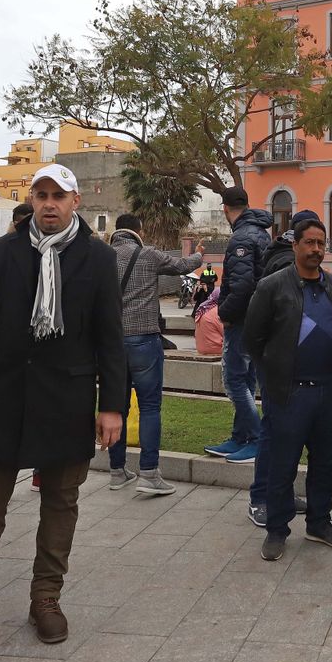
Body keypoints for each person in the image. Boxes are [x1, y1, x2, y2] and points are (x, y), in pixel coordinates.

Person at [0, 164, 128, 662]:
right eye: (40, 195)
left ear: (76, 200)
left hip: (66, 398)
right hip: (1, 397)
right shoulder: (6, 251)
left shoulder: (98, 258)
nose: (48, 204)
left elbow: (110, 338)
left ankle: (46, 600)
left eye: (58, 195)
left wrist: (113, 408)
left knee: (60, 504)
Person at [244, 217, 332, 561]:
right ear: (295, 245)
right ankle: (277, 529)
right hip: (288, 395)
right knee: (282, 465)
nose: (316, 250)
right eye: (309, 243)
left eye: (321, 243)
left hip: (327, 394)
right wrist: (275, 380)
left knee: (325, 463)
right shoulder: (272, 287)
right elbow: (252, 340)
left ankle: (319, 522)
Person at [106, 212, 202, 495]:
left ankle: (117, 471)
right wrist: (197, 255)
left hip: (112, 343)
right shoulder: (148, 255)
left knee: (116, 406)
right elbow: (181, 265)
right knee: (149, 406)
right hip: (144, 339)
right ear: (139, 231)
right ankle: (149, 473)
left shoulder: (102, 256)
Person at [203, 187, 273, 471]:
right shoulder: (260, 233)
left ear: (225, 208)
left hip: (242, 319)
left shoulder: (242, 237)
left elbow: (242, 285)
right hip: (257, 318)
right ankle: (240, 436)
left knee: (234, 381)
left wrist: (224, 312)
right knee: (246, 380)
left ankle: (256, 438)